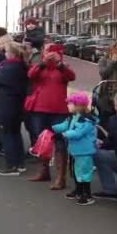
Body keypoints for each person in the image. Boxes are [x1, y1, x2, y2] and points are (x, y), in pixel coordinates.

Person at [25, 44, 75, 188]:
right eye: (47, 52)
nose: (49, 55)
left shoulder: (63, 67)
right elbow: (31, 75)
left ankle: (61, 178)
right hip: (39, 108)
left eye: (52, 53)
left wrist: (59, 64)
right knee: (42, 141)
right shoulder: (39, 66)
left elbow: (71, 76)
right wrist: (43, 63)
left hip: (59, 110)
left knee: (60, 142)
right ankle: (44, 171)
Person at [0, 42, 28, 176]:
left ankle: (12, 166)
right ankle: (20, 163)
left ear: (11, 53)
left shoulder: (9, 67)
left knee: (7, 136)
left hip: (5, 106)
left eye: (6, 51)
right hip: (15, 105)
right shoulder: (20, 66)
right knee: (15, 134)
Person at [52, 92, 98, 206]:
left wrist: (63, 134)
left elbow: (78, 133)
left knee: (84, 173)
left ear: (80, 105)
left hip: (84, 151)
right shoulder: (72, 117)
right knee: (76, 172)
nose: (69, 106)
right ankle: (79, 190)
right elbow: (64, 126)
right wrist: (51, 128)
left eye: (71, 104)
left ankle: (87, 194)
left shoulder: (86, 120)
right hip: (75, 151)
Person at [98, 41, 117, 123]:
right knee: (107, 121)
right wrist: (112, 62)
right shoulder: (104, 60)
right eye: (116, 49)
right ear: (112, 50)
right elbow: (103, 74)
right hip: (107, 97)